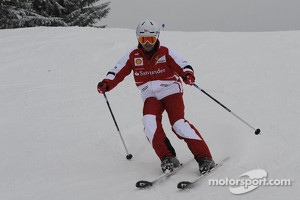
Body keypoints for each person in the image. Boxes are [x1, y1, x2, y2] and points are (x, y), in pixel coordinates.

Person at [97, 19, 215, 174]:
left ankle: (205, 158)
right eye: (143, 39)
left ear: (157, 37)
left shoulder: (165, 52)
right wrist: (107, 83)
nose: (147, 43)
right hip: (150, 95)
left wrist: (187, 75)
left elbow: (183, 64)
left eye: (151, 39)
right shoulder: (133, 56)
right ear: (138, 38)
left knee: (178, 124)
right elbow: (117, 70)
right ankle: (168, 158)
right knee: (149, 123)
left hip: (171, 91)